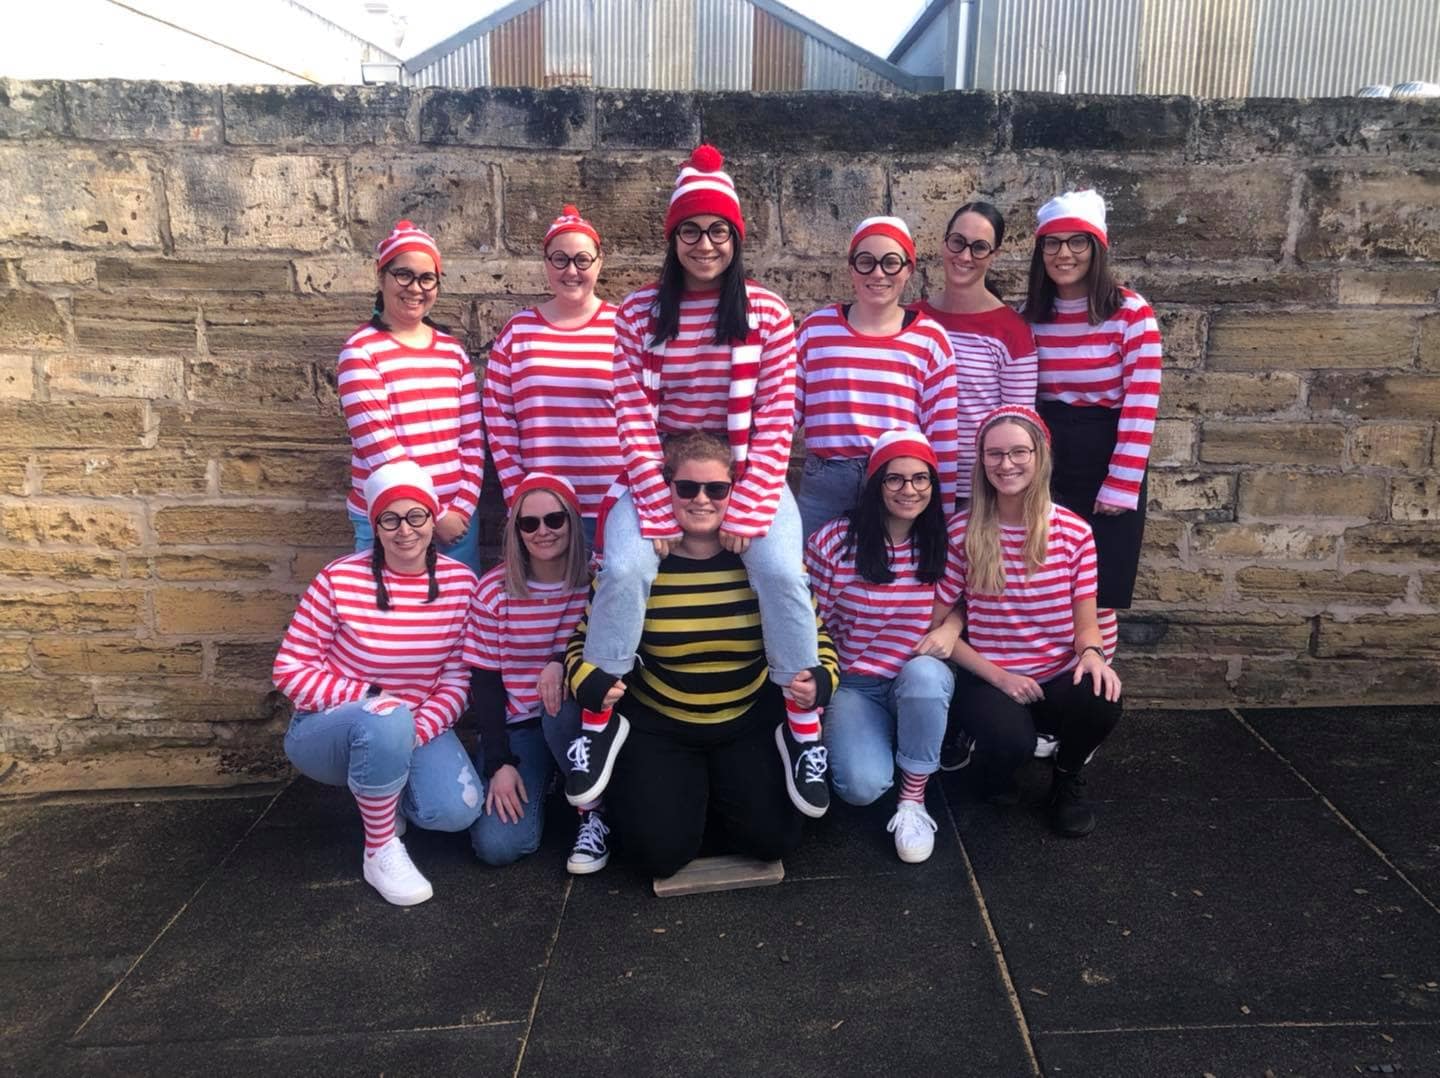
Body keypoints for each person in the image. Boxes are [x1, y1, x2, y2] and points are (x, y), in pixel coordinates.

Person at [574, 144, 828, 817]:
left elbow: (780, 417)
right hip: (660, 479)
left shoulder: (769, 315)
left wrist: (747, 505)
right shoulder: (635, 315)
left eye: (718, 230)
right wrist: (657, 507)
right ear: (672, 237)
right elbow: (630, 414)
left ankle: (804, 731)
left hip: (748, 480)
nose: (705, 243)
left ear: (736, 237)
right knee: (625, 568)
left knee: (779, 572)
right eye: (690, 229)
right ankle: (597, 723)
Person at [565, 432, 841, 879]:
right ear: (665, 489)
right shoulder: (637, 566)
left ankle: (710, 792)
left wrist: (823, 678)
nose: (701, 500)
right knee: (658, 855)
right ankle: (678, 798)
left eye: (717, 489)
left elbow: (813, 632)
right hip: (661, 724)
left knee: (773, 841)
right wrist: (589, 682)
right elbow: (583, 640)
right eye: (687, 488)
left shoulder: (763, 566)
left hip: (746, 719)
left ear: (736, 491)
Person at [273, 460, 483, 905]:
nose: (404, 530)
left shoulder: (462, 584)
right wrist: (372, 698)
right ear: (376, 525)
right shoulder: (338, 579)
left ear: (432, 519)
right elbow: (290, 669)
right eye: (390, 518)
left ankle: (384, 791)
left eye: (416, 516)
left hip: (413, 726)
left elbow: (458, 679)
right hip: (329, 729)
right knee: (385, 717)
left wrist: (413, 730)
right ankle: (380, 847)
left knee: (457, 812)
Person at [940, 406, 1123, 837]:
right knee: (1011, 743)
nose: (1006, 464)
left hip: (1055, 673)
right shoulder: (962, 531)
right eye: (994, 453)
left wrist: (1094, 655)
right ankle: (993, 766)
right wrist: (1000, 677)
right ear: (981, 460)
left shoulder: (1074, 532)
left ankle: (1066, 778)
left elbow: (1085, 622)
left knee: (1103, 696)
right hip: (990, 676)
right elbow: (935, 622)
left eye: (1019, 452)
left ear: (1040, 456)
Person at [806, 431, 962, 864]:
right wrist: (813, 701)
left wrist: (951, 627)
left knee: (928, 678)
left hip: (912, 674)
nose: (908, 490)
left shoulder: (943, 543)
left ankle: (913, 800)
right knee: (860, 788)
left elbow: (969, 601)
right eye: (894, 479)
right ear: (876, 484)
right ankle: (887, 741)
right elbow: (805, 621)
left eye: (919, 479)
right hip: (854, 683)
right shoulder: (836, 542)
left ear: (933, 484)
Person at [1021, 190, 1162, 659]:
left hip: (1107, 458)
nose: (1064, 254)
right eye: (1052, 243)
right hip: (1047, 461)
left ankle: (1091, 694)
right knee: (1046, 585)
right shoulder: (1032, 318)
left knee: (1099, 593)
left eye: (1077, 242)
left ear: (1097, 247)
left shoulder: (1131, 313)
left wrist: (1121, 484)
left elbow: (1142, 403)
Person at [462, 473, 605, 874]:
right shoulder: (493, 591)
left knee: (561, 709)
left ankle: (592, 810)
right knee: (498, 846)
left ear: (573, 522)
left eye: (554, 520)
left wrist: (561, 659)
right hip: (519, 727)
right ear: (517, 531)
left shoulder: (598, 579)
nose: (543, 531)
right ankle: (555, 780)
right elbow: (485, 682)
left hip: (577, 718)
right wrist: (498, 762)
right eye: (529, 523)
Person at [794, 216, 958, 538]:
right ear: (851, 268)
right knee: (809, 575)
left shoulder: (930, 340)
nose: (878, 273)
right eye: (866, 262)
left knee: (890, 579)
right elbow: (785, 412)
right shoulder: (816, 329)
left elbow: (942, 437)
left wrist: (943, 515)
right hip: (827, 481)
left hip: (897, 484)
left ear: (909, 270)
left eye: (891, 263)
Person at [337, 220, 485, 571]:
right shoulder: (360, 351)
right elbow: (381, 449)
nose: (415, 288)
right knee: (386, 620)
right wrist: (433, 514)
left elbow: (473, 441)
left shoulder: (452, 352)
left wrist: (461, 509)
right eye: (403, 275)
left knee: (456, 619)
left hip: (457, 526)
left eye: (426, 278)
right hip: (392, 524)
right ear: (381, 276)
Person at [483, 205, 622, 549]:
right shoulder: (518, 332)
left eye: (582, 260)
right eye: (560, 259)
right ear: (546, 264)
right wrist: (520, 495)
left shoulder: (625, 328)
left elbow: (651, 414)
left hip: (615, 505)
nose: (571, 270)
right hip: (544, 515)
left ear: (599, 262)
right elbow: (498, 416)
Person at [911, 201, 1037, 508]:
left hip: (977, 492)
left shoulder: (1012, 331)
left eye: (979, 247)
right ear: (943, 244)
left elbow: (1017, 425)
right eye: (957, 242)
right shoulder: (911, 317)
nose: (964, 256)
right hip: (911, 485)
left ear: (994, 256)